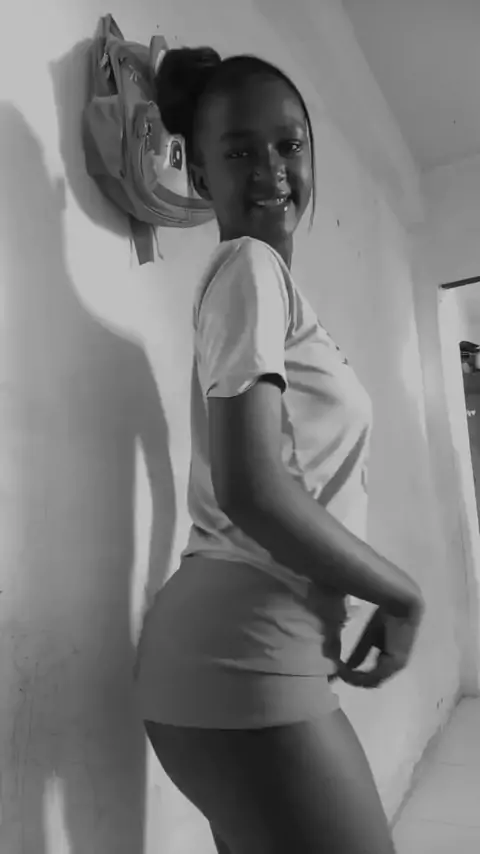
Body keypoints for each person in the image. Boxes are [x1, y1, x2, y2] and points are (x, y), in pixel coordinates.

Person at [134, 45, 425, 854]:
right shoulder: (249, 265)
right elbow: (252, 486)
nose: (270, 170)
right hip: (246, 650)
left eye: (289, 145)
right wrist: (402, 594)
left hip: (235, 650)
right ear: (199, 177)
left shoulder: (267, 287)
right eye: (238, 153)